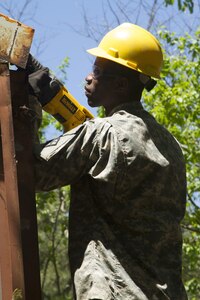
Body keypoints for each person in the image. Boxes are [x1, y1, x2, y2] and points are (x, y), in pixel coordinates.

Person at [32, 23, 188, 299]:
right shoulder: (172, 148)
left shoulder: (101, 135)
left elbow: (32, 173)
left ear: (121, 83)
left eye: (98, 72)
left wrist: (30, 109)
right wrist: (56, 98)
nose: (88, 78)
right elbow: (106, 147)